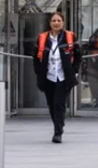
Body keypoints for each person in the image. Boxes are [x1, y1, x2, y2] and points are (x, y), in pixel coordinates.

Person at [32, 12, 81, 143]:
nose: (56, 23)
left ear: (63, 22)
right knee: (51, 105)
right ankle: (58, 126)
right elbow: (36, 57)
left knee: (59, 104)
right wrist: (39, 72)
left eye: (59, 20)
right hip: (48, 77)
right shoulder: (42, 38)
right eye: (54, 20)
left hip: (63, 77)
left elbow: (78, 55)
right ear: (50, 23)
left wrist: (74, 70)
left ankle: (58, 132)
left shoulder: (70, 37)